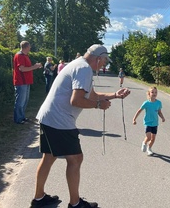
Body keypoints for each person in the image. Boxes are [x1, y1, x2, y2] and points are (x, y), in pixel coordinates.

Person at [31, 44, 131, 208]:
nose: (104, 64)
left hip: (49, 116)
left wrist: (114, 95)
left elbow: (92, 95)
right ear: (98, 58)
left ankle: (39, 198)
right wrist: (98, 106)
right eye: (104, 61)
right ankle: (75, 203)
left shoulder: (78, 64)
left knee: (49, 156)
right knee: (76, 158)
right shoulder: (84, 69)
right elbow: (76, 100)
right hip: (59, 120)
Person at [13, 41, 43, 124]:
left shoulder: (24, 56)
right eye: (29, 47)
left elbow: (27, 67)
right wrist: (34, 67)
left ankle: (22, 117)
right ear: (26, 47)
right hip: (21, 81)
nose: (30, 48)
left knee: (24, 101)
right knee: (20, 101)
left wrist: (35, 66)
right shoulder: (19, 55)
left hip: (26, 81)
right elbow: (22, 69)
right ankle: (18, 119)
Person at [132, 87, 165, 156]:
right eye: (152, 92)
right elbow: (139, 111)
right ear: (149, 93)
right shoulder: (146, 103)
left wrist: (162, 117)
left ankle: (149, 148)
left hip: (155, 123)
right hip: (147, 122)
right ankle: (144, 143)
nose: (154, 94)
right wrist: (134, 119)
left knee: (153, 139)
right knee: (149, 137)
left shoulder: (158, 103)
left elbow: (159, 112)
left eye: (155, 92)